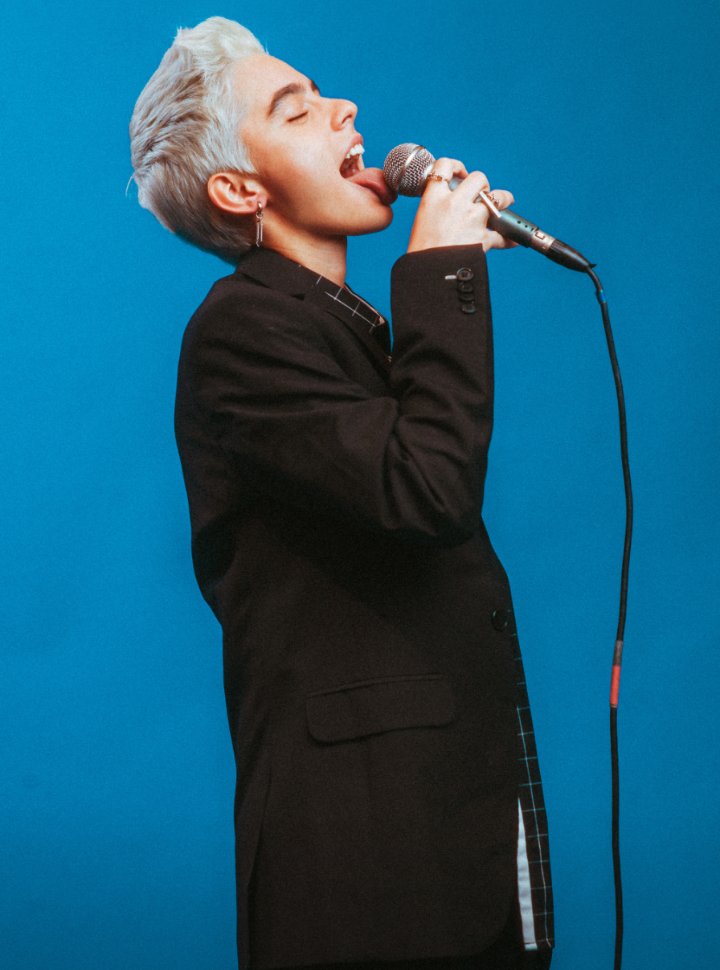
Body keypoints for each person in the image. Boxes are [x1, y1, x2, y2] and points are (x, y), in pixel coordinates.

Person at [129, 16, 553, 970]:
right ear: (240, 189)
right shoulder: (241, 334)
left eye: (324, 92)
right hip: (367, 878)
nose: (344, 108)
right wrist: (440, 270)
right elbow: (426, 487)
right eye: (295, 109)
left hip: (452, 853)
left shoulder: (344, 335)